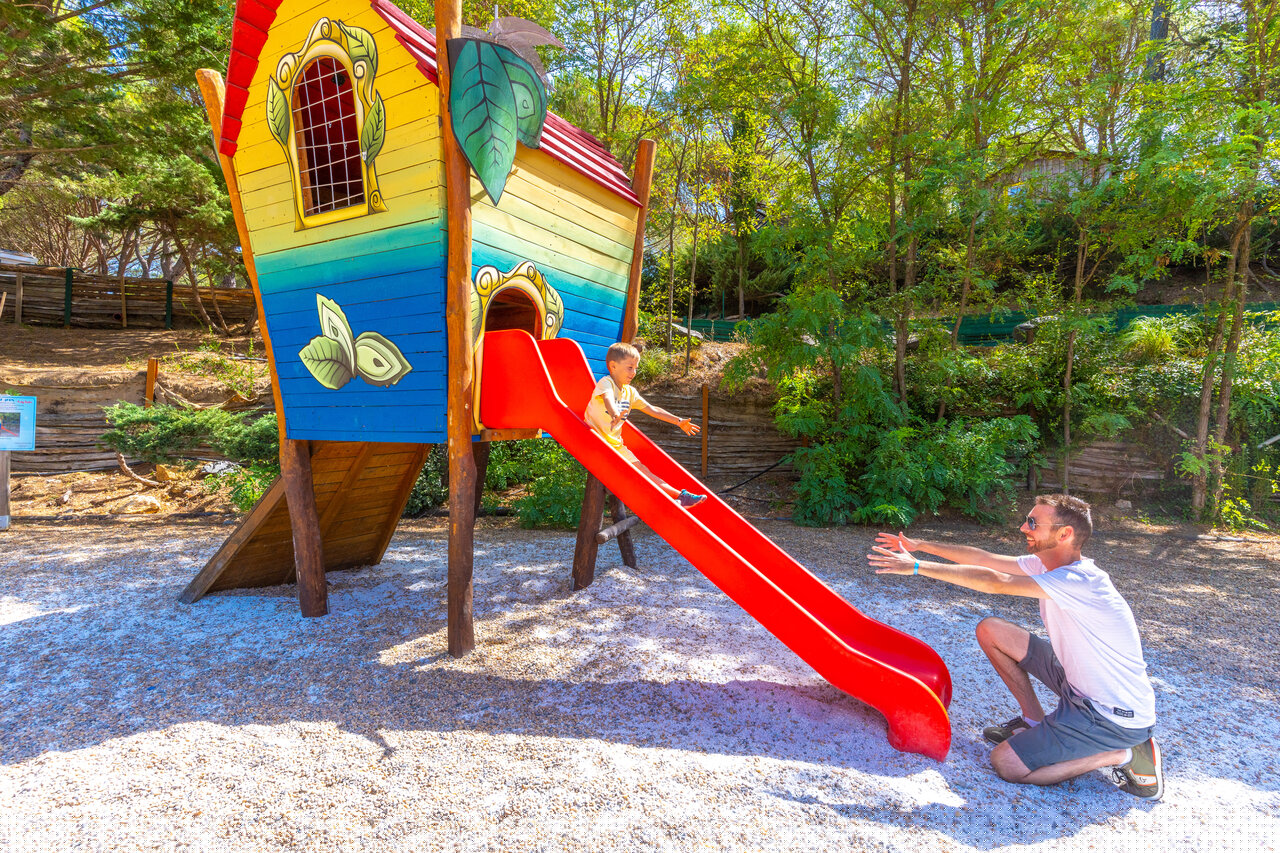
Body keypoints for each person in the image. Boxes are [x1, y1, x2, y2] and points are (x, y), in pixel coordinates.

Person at [866, 494, 1163, 799]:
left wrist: (917, 567)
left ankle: (1126, 754)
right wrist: (921, 545)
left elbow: (996, 581)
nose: (1024, 527)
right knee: (992, 631)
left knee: (1007, 763)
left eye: (1033, 522)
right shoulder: (1045, 564)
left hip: (1109, 715)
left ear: (1064, 534)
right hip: (1080, 686)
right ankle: (1033, 721)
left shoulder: (1079, 580)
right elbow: (983, 559)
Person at [585, 342, 707, 507]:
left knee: (643, 470)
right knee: (638, 473)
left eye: (636, 368)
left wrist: (678, 421)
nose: (634, 372)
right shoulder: (606, 383)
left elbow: (653, 409)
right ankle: (679, 496)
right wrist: (614, 414)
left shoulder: (630, 392)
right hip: (594, 440)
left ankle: (677, 497)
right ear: (612, 366)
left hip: (615, 445)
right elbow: (607, 398)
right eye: (630, 367)